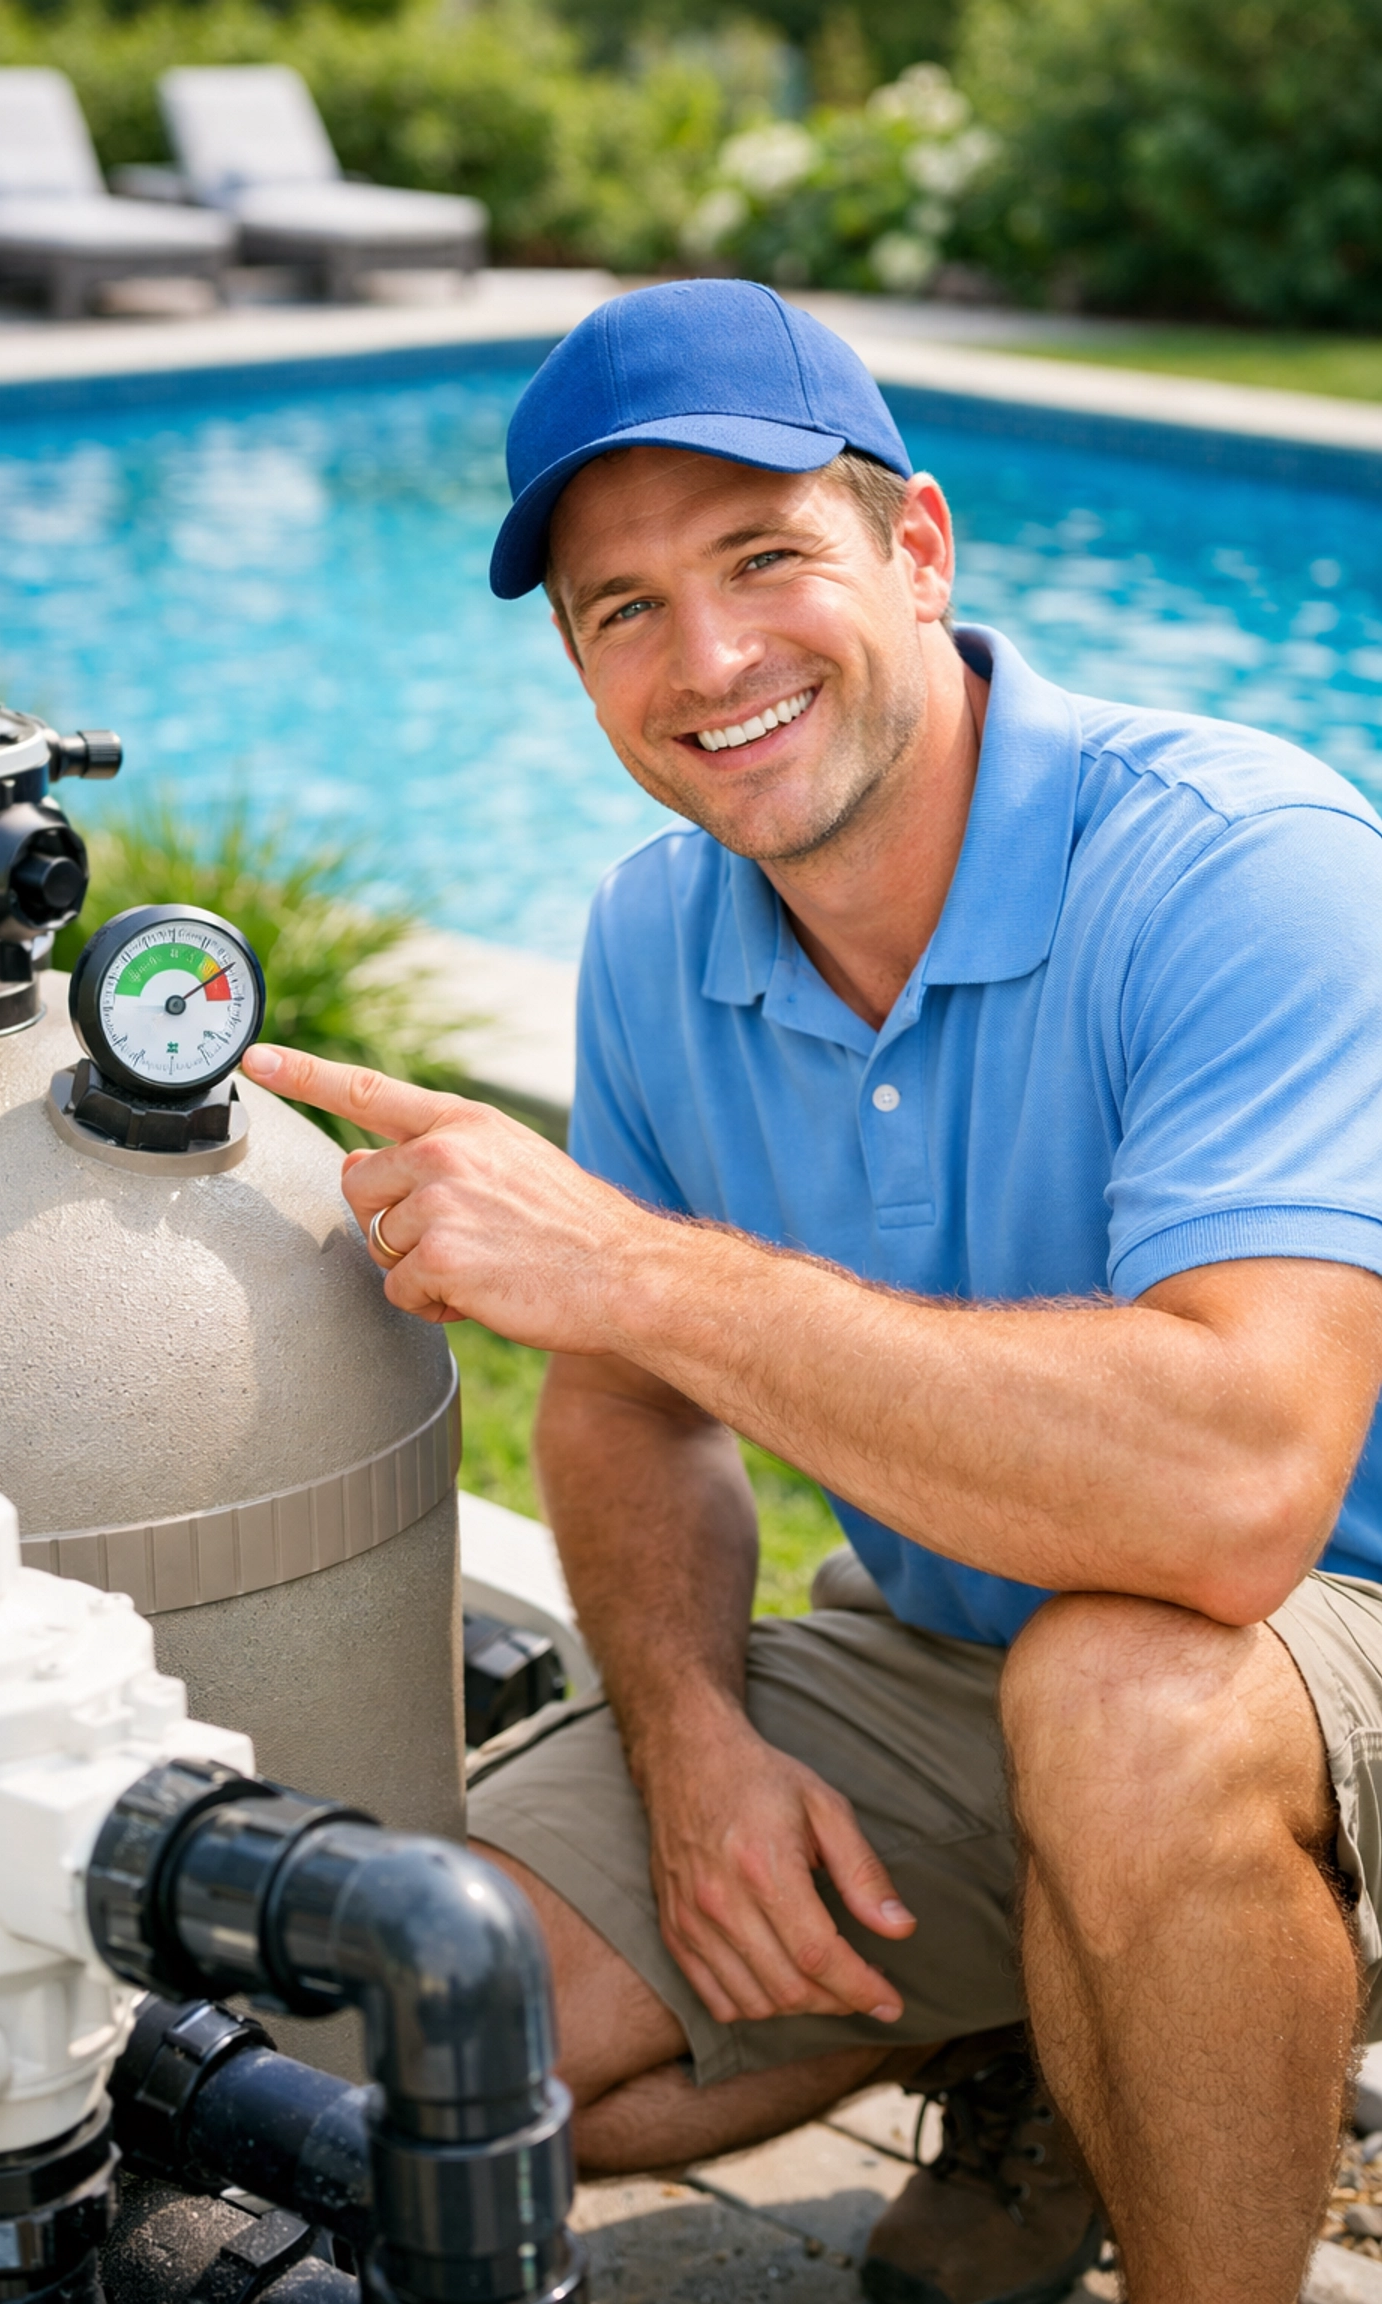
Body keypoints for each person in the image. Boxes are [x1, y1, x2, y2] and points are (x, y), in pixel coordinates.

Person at [241, 280, 1382, 2304]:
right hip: (955, 1654)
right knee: (402, 2024)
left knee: (1119, 1704)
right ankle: (1048, 2028)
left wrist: (633, 1266)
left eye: (766, 558)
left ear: (919, 547)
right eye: (625, 611)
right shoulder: (661, 933)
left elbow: (1233, 1497)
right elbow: (617, 1401)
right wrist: (691, 1751)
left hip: (1302, 1644)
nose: (713, 659)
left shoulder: (1244, 863)